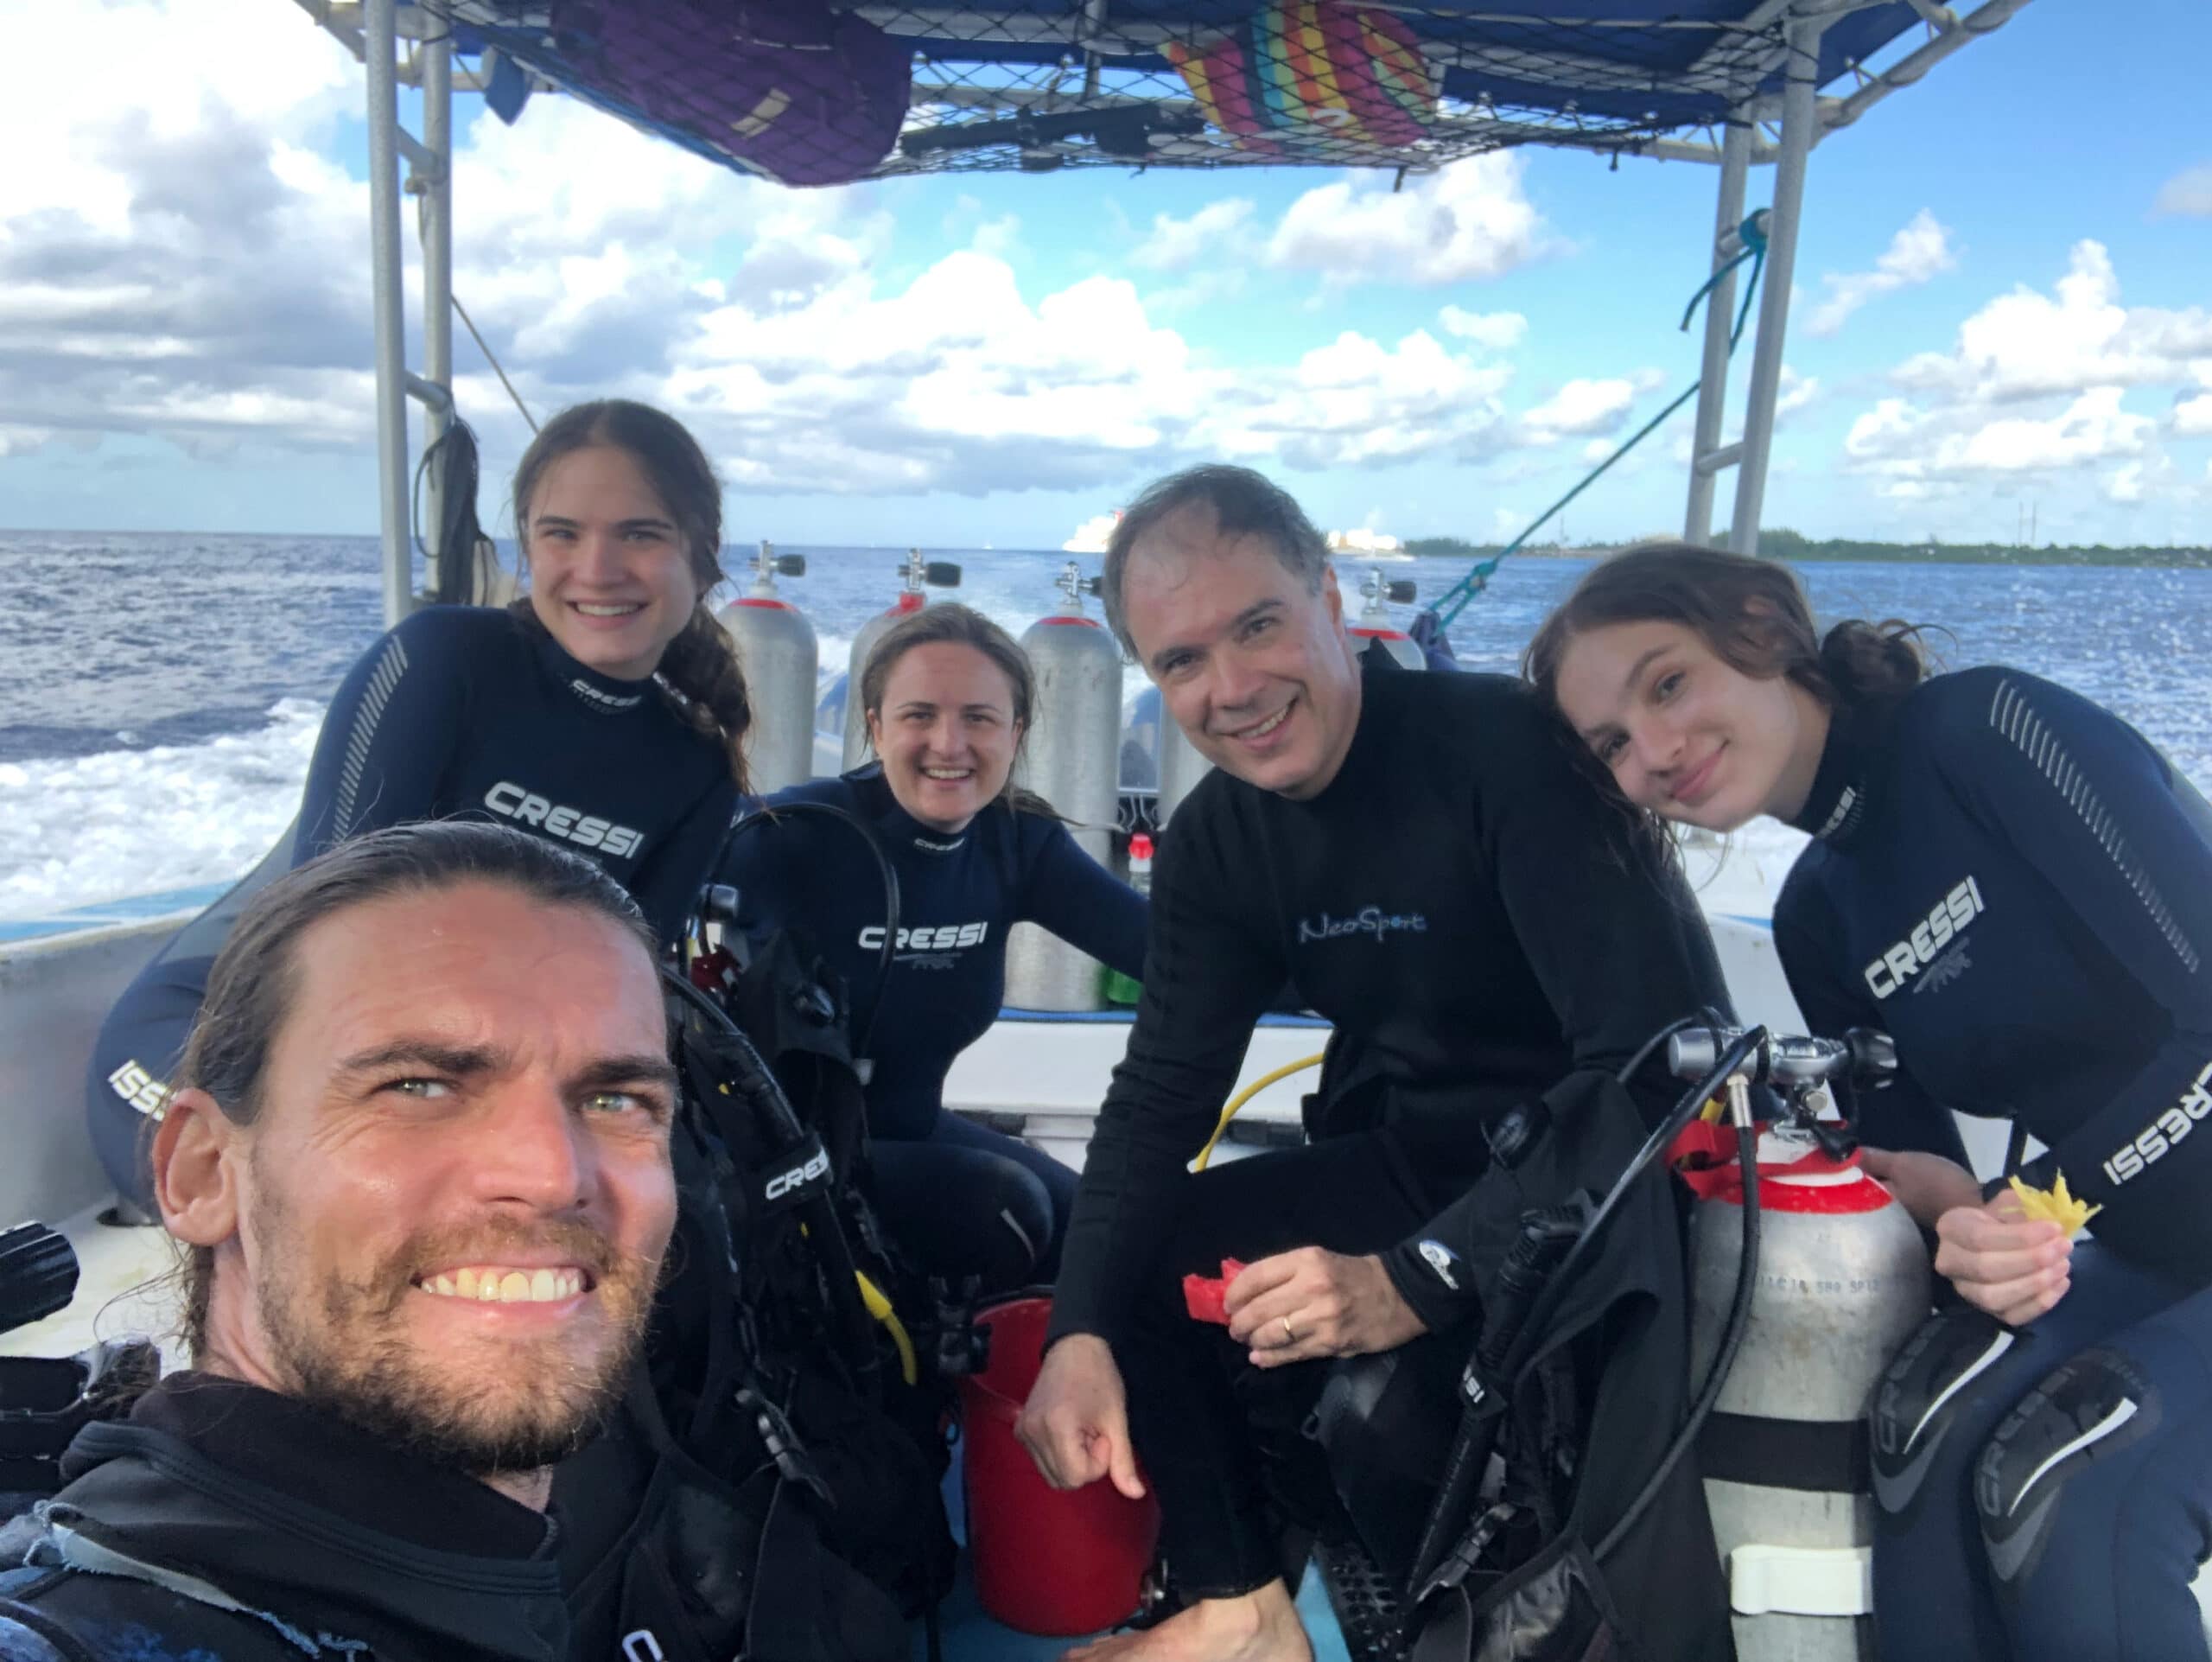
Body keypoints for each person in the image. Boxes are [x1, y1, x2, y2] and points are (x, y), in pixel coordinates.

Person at [1013, 467, 1738, 1662]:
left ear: (1331, 597)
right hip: (1425, 1164)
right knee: (1146, 1258)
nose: (1232, 689)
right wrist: (1076, 1328)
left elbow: (1661, 1064)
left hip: (1616, 1192)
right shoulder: (1219, 840)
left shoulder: (1500, 749)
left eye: (1258, 625)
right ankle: (1244, 1606)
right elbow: (1157, 1099)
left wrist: (1421, 1275)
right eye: (1181, 662)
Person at [1529, 540, 2212, 1660]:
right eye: (1611, 742)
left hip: (2134, 1234)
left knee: (2070, 1479)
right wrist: (1955, 1206)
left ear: (1760, 625)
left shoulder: (1982, 732)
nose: (1655, 750)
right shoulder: (1817, 911)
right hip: (2143, 1246)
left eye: (1667, 683)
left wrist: (2035, 1204)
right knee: (1918, 1426)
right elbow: (1922, 1170)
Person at [0, 821, 681, 1659]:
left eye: (616, 1101)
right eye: (418, 1086)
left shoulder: (502, 1559)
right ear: (204, 1174)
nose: (550, 1174)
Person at [86, 399, 747, 1213]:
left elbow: (618, 1013)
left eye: (641, 534)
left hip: (449, 1083)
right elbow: (325, 950)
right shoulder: (449, 661)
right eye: (562, 533)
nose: (598, 567)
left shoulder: (697, 770)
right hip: (214, 1043)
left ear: (704, 559)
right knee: (313, 1209)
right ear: (528, 550)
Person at [720, 602, 1146, 1289]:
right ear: (875, 726)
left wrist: (1347, 957)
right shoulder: (797, 829)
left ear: (1017, 732)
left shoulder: (1017, 845)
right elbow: (634, 875)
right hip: (777, 1154)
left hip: (914, 1133)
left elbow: (1174, 960)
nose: (949, 744)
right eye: (919, 714)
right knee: (1007, 1208)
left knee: (1115, 1242)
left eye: (979, 717)